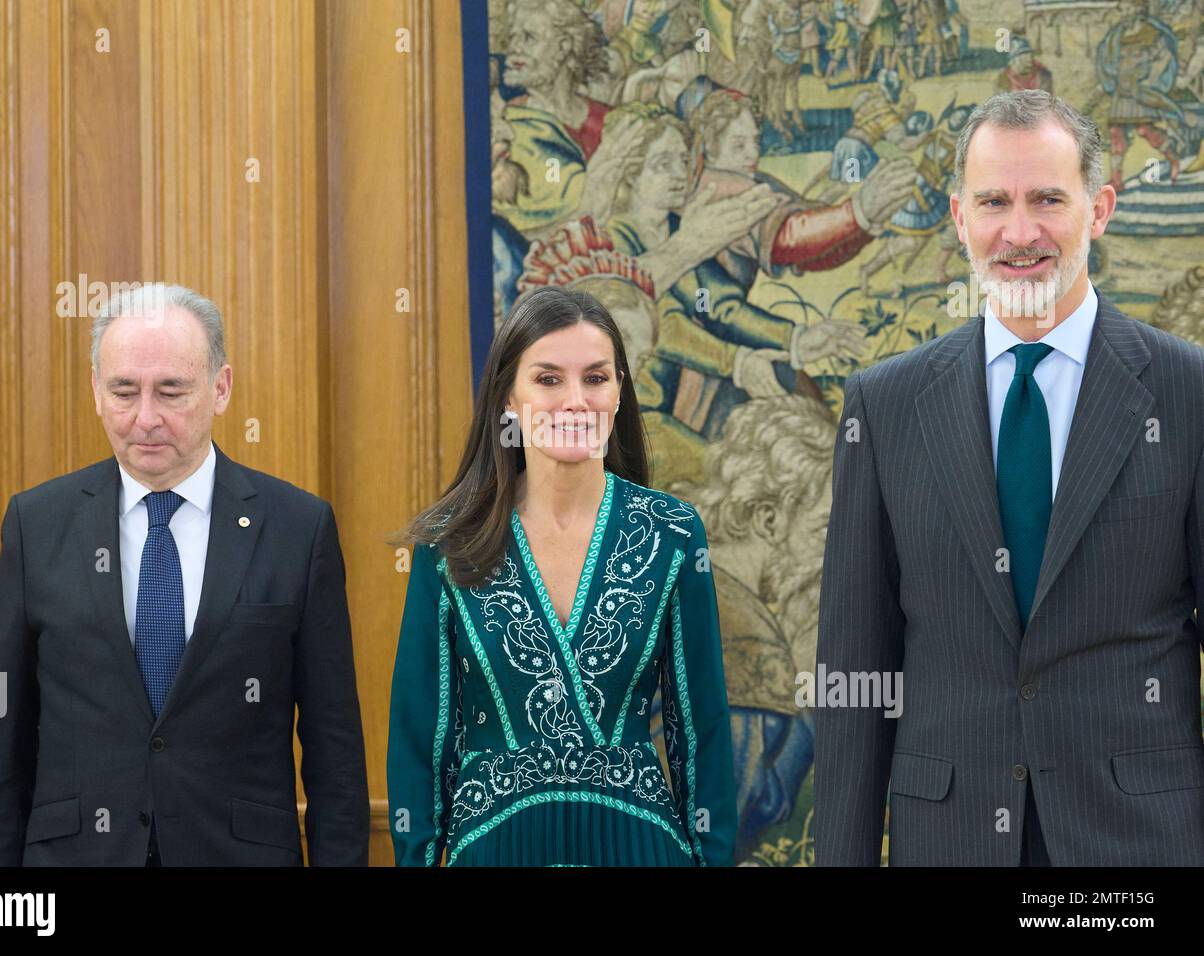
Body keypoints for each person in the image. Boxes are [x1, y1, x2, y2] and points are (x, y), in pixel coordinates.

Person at [814, 90, 1204, 867]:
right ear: (959, 217)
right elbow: (856, 672)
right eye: (994, 202)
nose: (1019, 232)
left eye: (1047, 200)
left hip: (1137, 851)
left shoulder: (1186, 392)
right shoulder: (884, 406)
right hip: (949, 839)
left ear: (1099, 209)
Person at [0, 283, 369, 866]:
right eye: (124, 391)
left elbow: (333, 741)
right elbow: (5, 732)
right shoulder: (37, 523)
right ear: (95, 390)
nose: (146, 419)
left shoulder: (297, 527)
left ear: (221, 388)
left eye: (171, 391)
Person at [387, 285, 736, 866]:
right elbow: (420, 736)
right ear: (507, 396)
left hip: (641, 849)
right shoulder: (449, 541)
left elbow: (702, 728)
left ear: (621, 391)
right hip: (495, 849)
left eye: (596, 378)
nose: (576, 400)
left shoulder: (673, 533)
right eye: (548, 379)